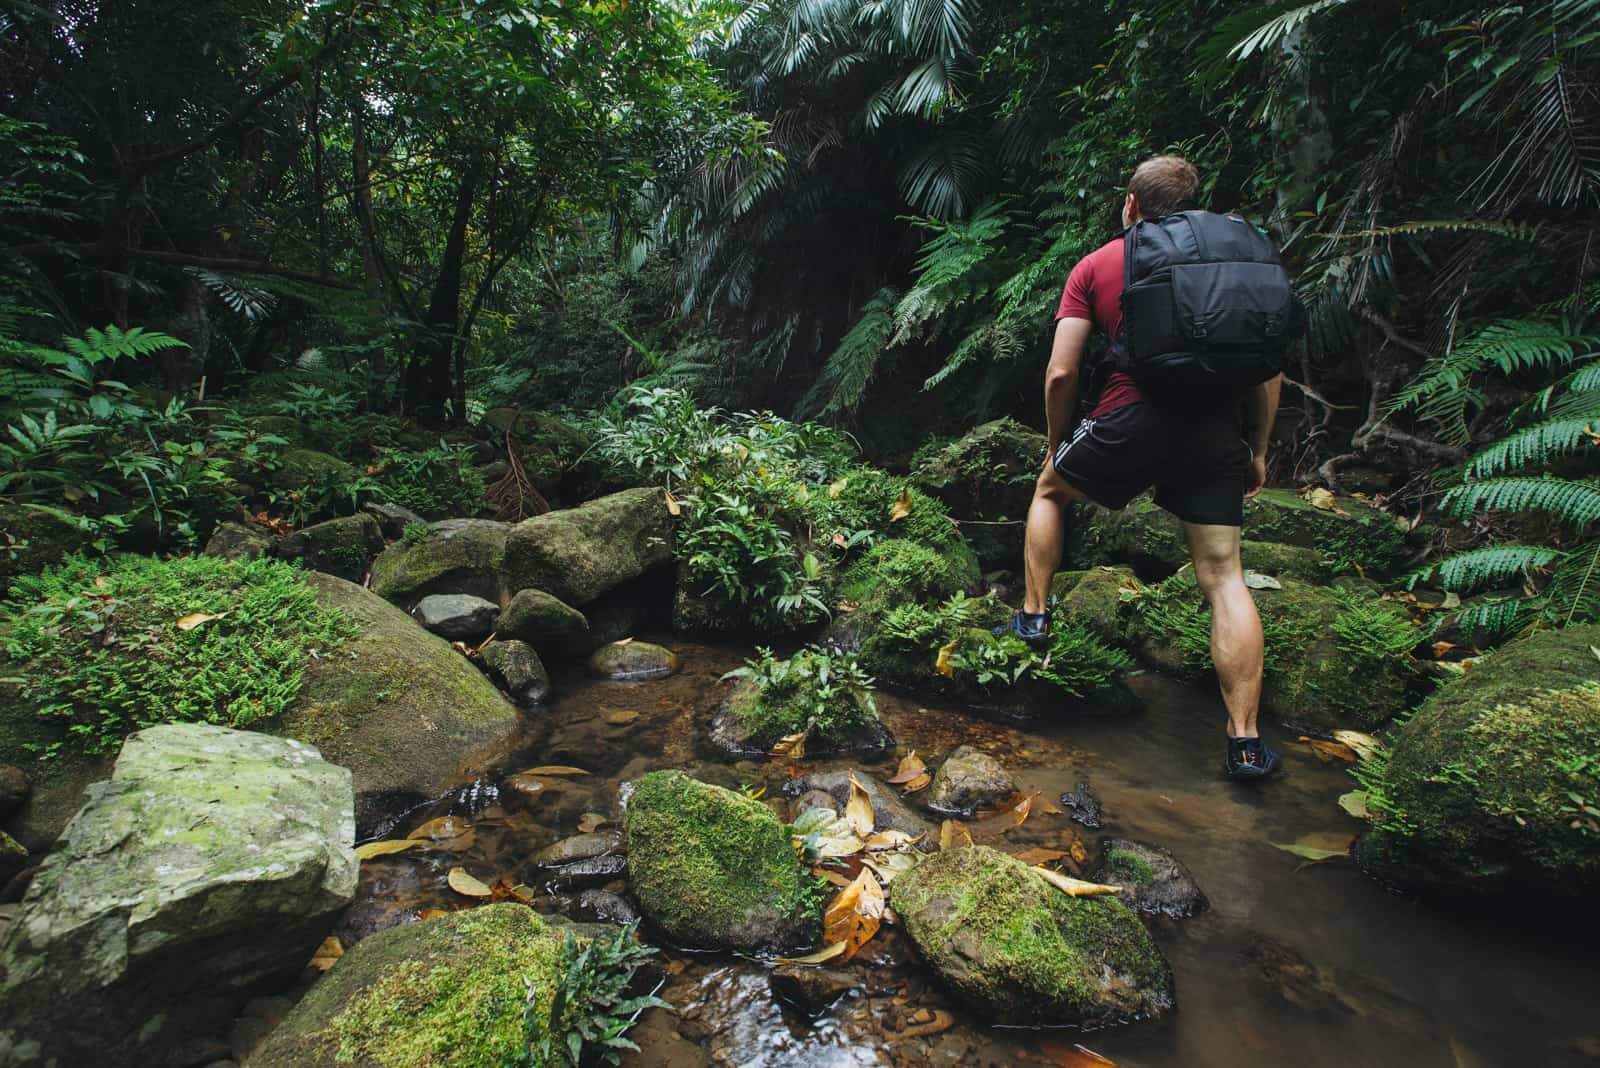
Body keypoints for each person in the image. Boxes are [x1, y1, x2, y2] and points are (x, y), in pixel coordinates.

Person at [996, 155, 1284, 781]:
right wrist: (1257, 451)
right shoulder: (1236, 261)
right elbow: (1268, 371)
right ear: (1194, 206)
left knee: (1050, 492)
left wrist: (1057, 441)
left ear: (1131, 205)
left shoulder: (1098, 264)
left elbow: (1062, 372)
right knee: (1225, 576)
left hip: (1129, 419)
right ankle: (1244, 744)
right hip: (1213, 434)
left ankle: (1034, 617)